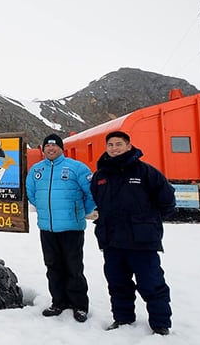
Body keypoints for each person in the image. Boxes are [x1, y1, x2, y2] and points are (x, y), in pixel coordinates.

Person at [90, 131, 176, 336]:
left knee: (152, 283)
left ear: (129, 146)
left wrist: (148, 222)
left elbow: (167, 200)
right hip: (112, 241)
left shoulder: (146, 172)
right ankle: (123, 318)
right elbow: (98, 201)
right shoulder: (100, 176)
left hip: (142, 241)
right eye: (110, 145)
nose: (114, 148)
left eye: (118, 144)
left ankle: (160, 324)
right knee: (118, 283)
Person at [26, 133, 96, 323]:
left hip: (72, 227)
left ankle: (79, 305)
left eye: (54, 146)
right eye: (47, 146)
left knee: (73, 267)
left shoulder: (76, 168)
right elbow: (32, 194)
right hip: (47, 228)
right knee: (53, 266)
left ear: (61, 148)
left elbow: (92, 193)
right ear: (43, 149)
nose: (50, 149)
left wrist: (80, 211)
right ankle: (58, 302)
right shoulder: (36, 170)